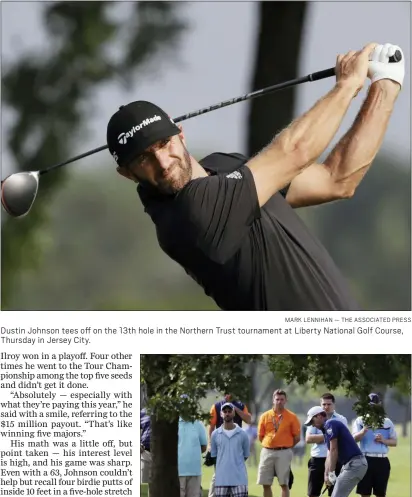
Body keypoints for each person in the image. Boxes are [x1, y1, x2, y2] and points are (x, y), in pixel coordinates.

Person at [106, 43, 404, 311]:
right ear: (126, 173)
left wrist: (385, 85)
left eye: (163, 144)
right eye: (144, 158)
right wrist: (347, 85)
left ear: (180, 134)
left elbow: (336, 179)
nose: (162, 162)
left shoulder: (225, 167)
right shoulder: (188, 212)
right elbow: (295, 151)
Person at [304, 405, 367, 497]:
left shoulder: (330, 424)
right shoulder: (326, 431)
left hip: (356, 463)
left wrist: (332, 473)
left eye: (313, 421)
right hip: (350, 465)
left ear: (320, 416)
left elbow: (334, 451)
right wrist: (327, 475)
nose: (313, 425)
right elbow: (329, 455)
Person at [299, 393, 348, 497]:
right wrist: (330, 435)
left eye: (329, 404)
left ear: (334, 405)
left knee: (337, 495)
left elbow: (342, 438)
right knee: (312, 493)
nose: (326, 407)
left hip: (335, 460)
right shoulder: (315, 416)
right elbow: (308, 439)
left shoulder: (341, 419)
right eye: (323, 404)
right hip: (317, 459)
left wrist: (324, 437)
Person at [352, 393, 398, 497]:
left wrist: (383, 441)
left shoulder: (387, 422)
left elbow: (394, 442)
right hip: (365, 459)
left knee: (380, 494)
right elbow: (354, 438)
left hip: (381, 459)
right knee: (364, 493)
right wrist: (364, 430)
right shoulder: (360, 420)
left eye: (375, 406)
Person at [210, 402, 250, 497]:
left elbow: (246, 455)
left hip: (239, 476)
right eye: (224, 411)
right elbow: (214, 454)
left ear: (233, 413)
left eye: (229, 411)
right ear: (221, 414)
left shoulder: (242, 434)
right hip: (221, 477)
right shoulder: (215, 434)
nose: (227, 413)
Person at [257, 389, 300, 497]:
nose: (279, 402)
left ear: (286, 401)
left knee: (284, 482)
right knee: (265, 482)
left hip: (284, 451)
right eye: (277, 399)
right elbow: (261, 436)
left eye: (282, 399)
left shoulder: (292, 417)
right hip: (267, 451)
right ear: (273, 400)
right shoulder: (265, 416)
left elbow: (297, 437)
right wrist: (270, 444)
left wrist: (286, 446)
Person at [207, 394, 251, 497]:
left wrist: (235, 409)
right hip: (221, 441)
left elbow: (248, 419)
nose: (228, 395)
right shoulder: (216, 406)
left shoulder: (241, 405)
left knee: (234, 473)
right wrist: (210, 444)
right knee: (218, 473)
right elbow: (211, 426)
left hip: (236, 443)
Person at [178, 416, 207, 497]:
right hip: (177, 471)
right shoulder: (174, 424)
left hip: (194, 471)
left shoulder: (198, 424)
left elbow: (203, 446)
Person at [140, 408, 152, 497]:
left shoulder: (170, 409)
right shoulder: (144, 412)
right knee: (151, 487)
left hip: (166, 454)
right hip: (147, 452)